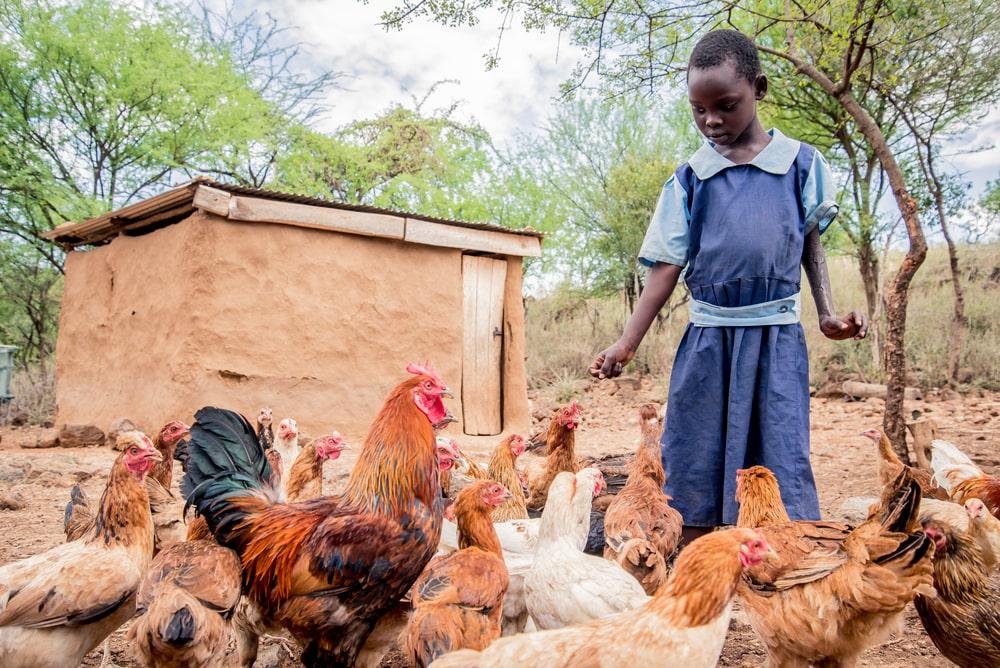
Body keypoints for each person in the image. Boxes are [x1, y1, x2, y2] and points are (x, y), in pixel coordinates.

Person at [588, 29, 867, 544]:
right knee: (692, 449)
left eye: (726, 105)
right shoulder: (691, 178)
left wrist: (826, 314)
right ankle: (695, 556)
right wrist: (627, 343)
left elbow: (810, 242)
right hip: (708, 340)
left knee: (780, 446)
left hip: (777, 338)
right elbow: (666, 268)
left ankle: (785, 553)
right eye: (699, 110)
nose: (711, 120)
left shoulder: (800, 164)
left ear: (758, 89)